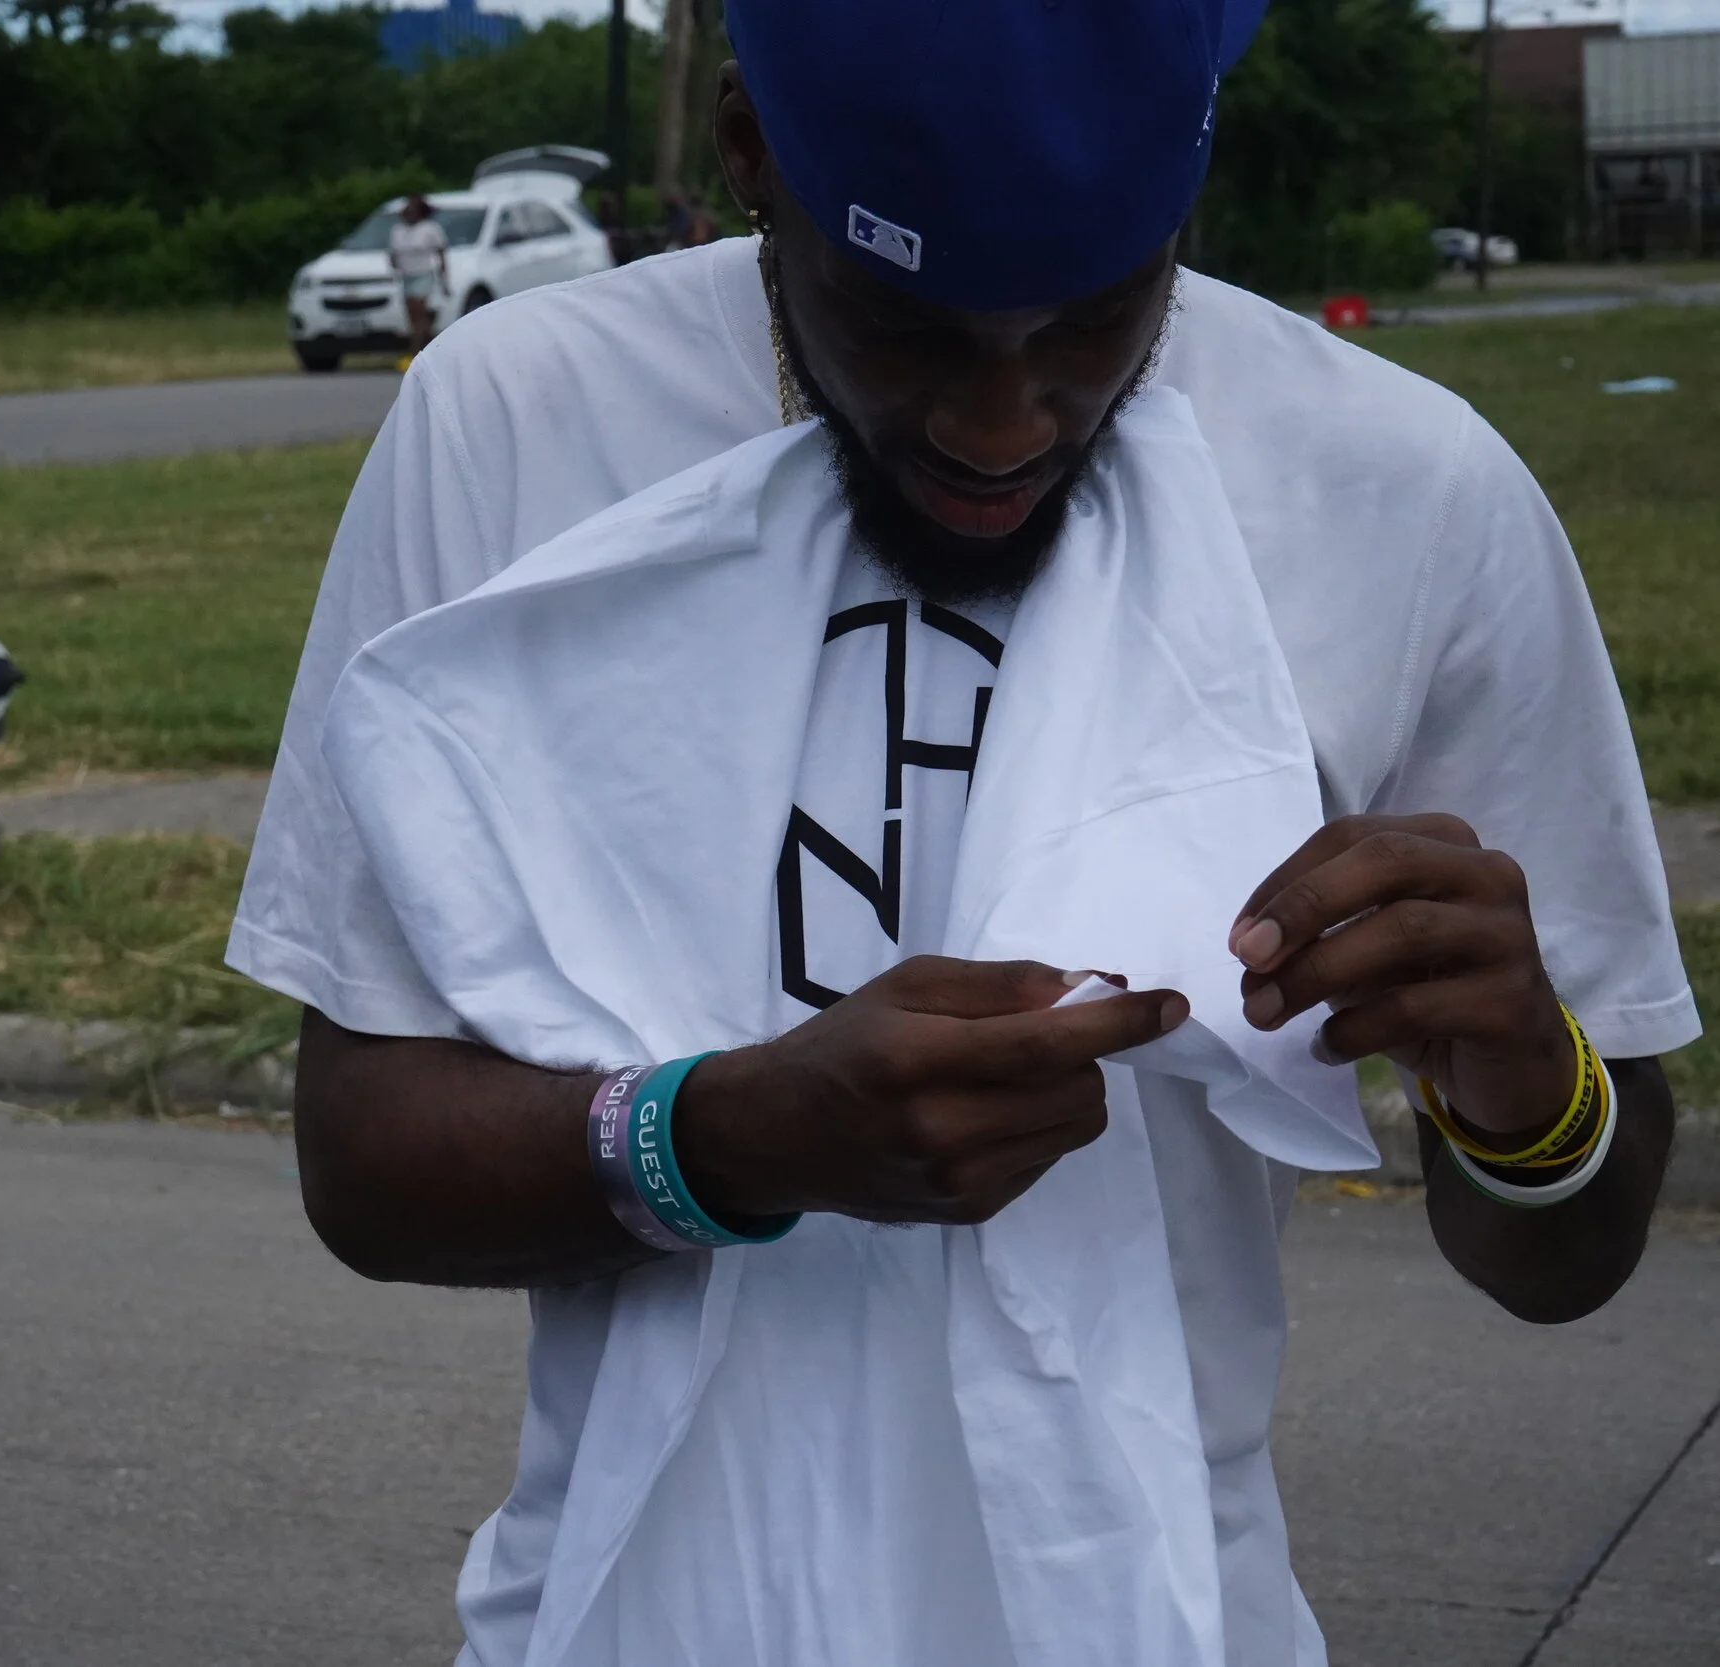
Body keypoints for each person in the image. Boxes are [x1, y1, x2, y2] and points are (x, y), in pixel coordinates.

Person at [230, 0, 1698, 1661]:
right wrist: (726, 1139)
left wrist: (1523, 1074)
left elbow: (1568, 1252)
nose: (1003, 424)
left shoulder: (1411, 494)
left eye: (1089, 320)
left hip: (1158, 1617)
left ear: (1181, 213)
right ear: (750, 156)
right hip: (629, 1613)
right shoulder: (520, 424)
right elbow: (362, 1156)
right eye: (910, 322)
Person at [387, 194, 449, 366]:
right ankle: (436, 351)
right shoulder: (397, 230)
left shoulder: (430, 229)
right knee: (414, 319)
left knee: (418, 311)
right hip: (406, 276)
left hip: (424, 274)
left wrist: (444, 281)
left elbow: (441, 254)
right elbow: (393, 254)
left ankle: (412, 354)